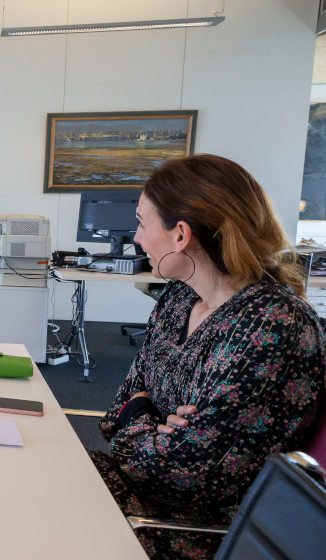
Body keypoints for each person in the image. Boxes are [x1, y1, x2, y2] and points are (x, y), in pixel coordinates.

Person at [90, 154, 325, 559]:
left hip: (198, 529)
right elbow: (119, 409)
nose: (137, 238)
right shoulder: (181, 297)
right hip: (147, 495)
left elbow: (180, 475)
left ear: (181, 235)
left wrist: (139, 415)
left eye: (143, 223)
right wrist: (149, 422)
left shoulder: (272, 324)